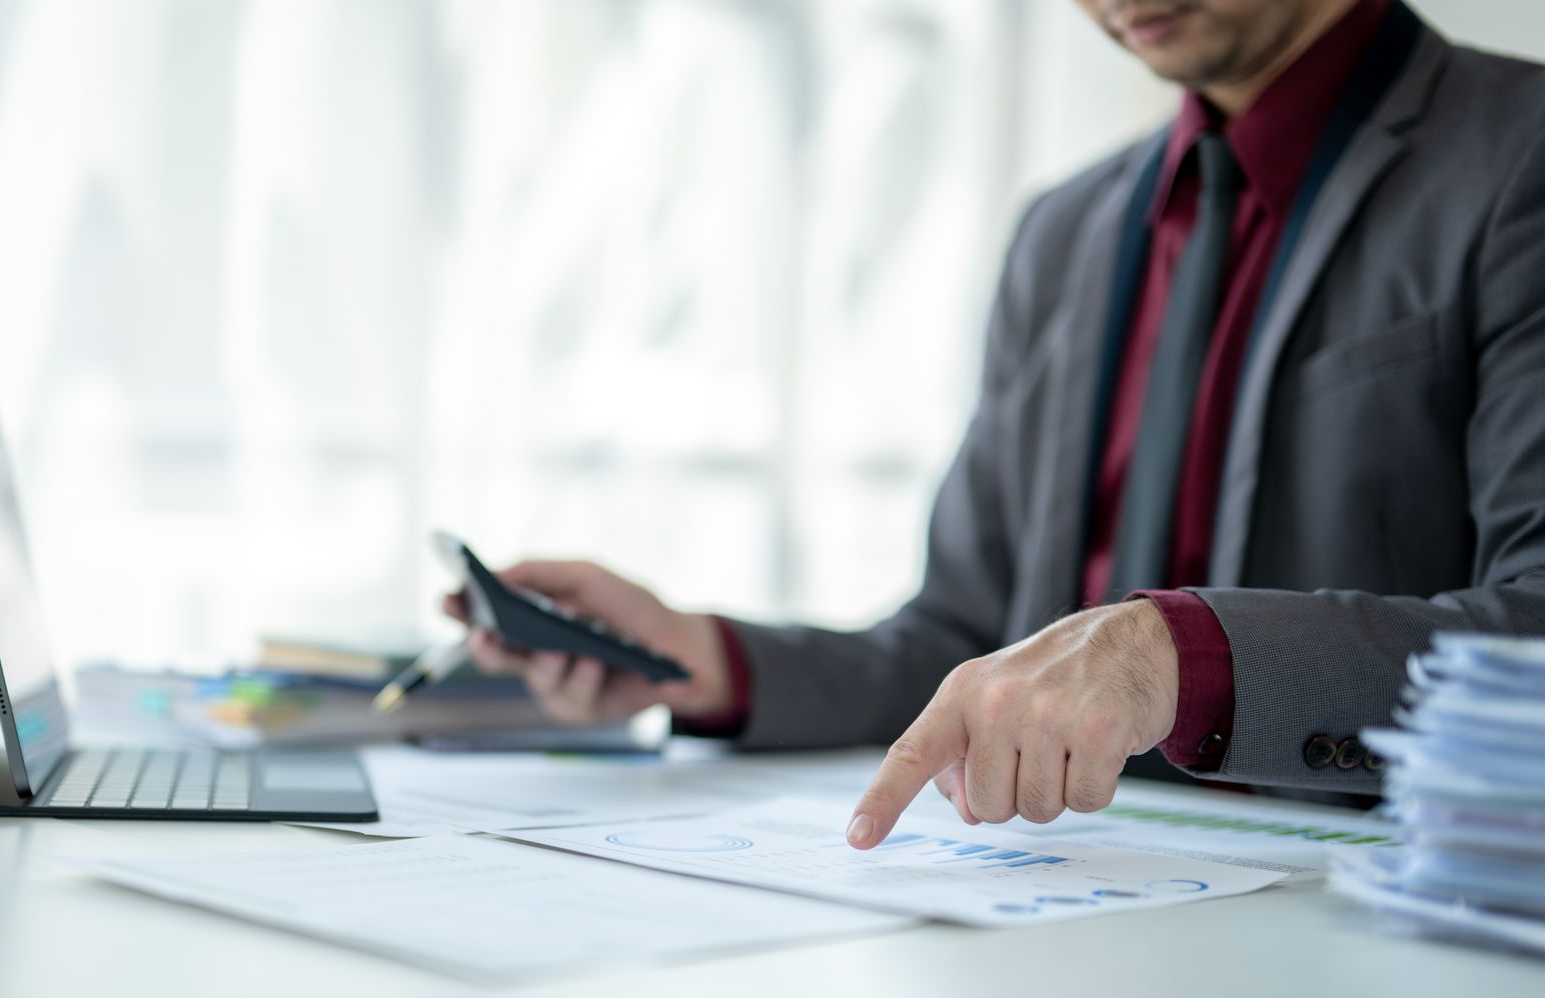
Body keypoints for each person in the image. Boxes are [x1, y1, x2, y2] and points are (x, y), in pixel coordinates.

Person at [450, 0, 1545, 855]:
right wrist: (712, 662)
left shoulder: (1517, 159)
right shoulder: (1065, 232)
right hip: (1066, 902)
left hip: (1375, 917)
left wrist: (1174, 651)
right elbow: (964, 637)